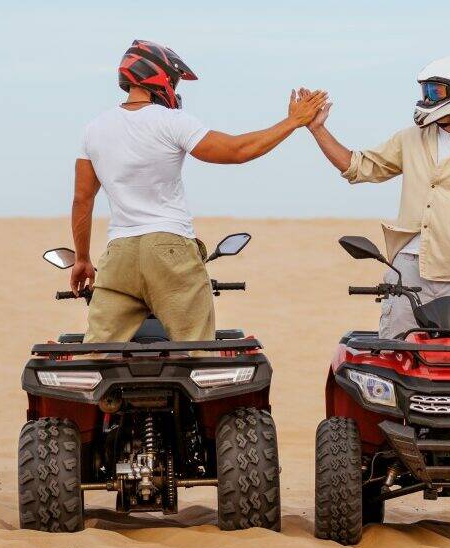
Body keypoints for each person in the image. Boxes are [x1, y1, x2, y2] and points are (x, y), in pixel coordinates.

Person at [71, 39, 327, 342]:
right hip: (169, 248)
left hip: (118, 254)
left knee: (96, 355)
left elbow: (82, 200)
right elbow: (237, 150)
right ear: (157, 76)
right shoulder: (172, 122)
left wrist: (83, 258)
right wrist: (293, 121)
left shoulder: (94, 129)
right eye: (174, 80)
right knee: (196, 352)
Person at [302, 57, 450, 340]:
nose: (427, 98)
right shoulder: (410, 139)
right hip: (408, 271)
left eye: (435, 91)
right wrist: (317, 128)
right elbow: (358, 167)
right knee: (395, 355)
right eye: (425, 90)